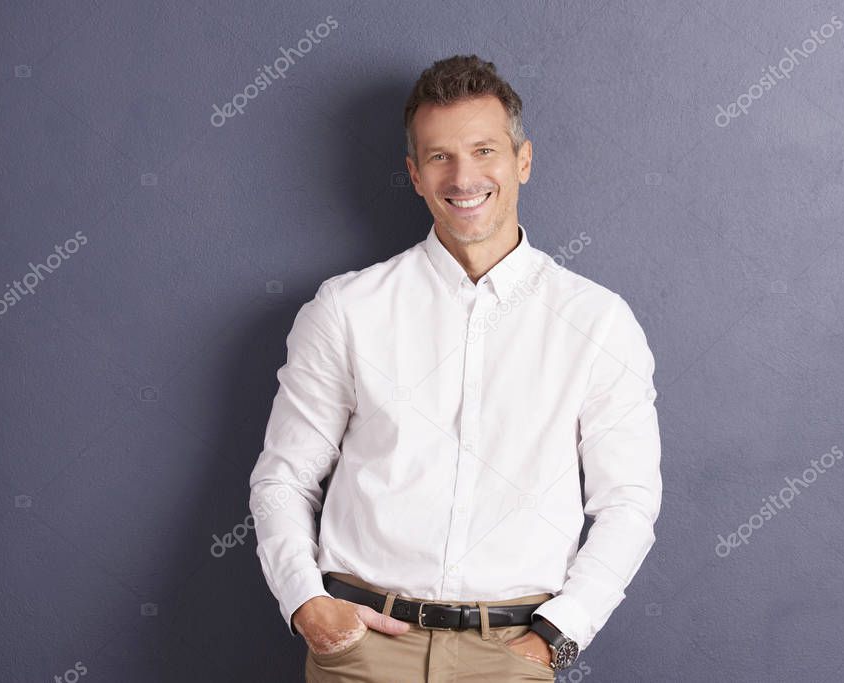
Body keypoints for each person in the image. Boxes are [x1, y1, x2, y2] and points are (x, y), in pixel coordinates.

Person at [248, 54, 662, 682]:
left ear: (523, 160)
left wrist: (561, 636)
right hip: (362, 651)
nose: (463, 175)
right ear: (414, 174)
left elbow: (629, 501)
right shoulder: (345, 310)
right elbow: (284, 478)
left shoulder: (598, 322)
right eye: (440, 156)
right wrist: (308, 605)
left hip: (511, 653)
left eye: (484, 150)